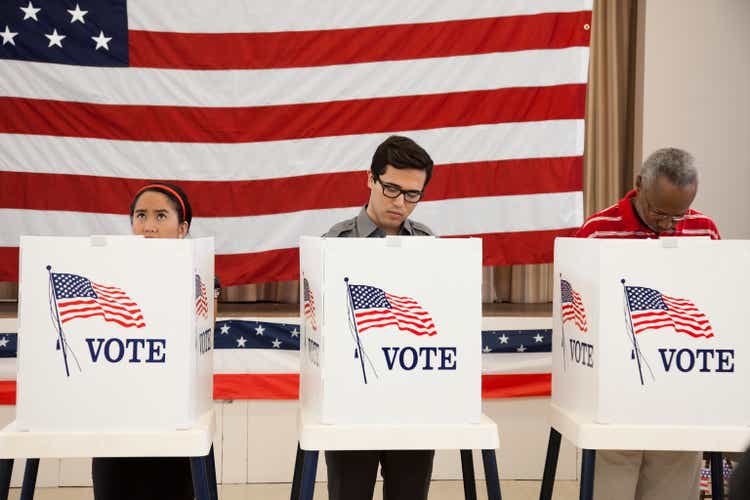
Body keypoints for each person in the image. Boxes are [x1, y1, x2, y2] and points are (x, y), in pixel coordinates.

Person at [575, 147, 720, 500]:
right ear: (639, 184)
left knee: (672, 485)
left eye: (678, 215)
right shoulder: (597, 231)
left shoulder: (704, 230)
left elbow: (716, 305)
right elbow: (580, 310)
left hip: (680, 390)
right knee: (611, 486)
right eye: (659, 212)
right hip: (616, 392)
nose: (669, 225)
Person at [323, 135, 434, 500]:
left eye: (412, 194)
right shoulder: (334, 242)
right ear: (370, 178)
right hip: (351, 399)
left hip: (412, 398)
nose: (400, 203)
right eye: (391, 188)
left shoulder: (429, 245)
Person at [92, 182, 218, 500]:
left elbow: (201, 341)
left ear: (182, 227)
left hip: (174, 415)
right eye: (141, 216)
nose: (149, 226)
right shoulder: (108, 274)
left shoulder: (201, 277)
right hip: (119, 414)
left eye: (161, 216)